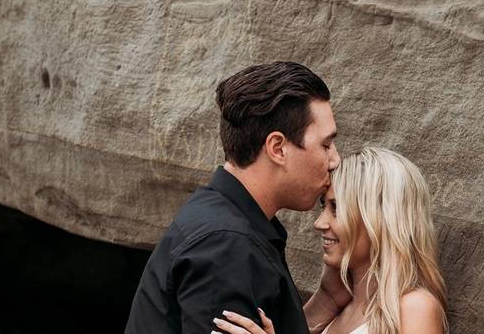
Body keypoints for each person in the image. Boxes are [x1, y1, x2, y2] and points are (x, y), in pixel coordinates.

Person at [124, 61, 348, 334]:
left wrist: (326, 299)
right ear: (278, 148)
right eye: (325, 145)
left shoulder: (226, 222)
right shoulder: (226, 245)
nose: (334, 159)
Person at [213, 147, 448, 334]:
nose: (319, 223)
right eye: (324, 206)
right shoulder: (340, 307)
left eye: (336, 208)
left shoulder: (414, 308)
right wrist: (325, 300)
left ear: (380, 218)